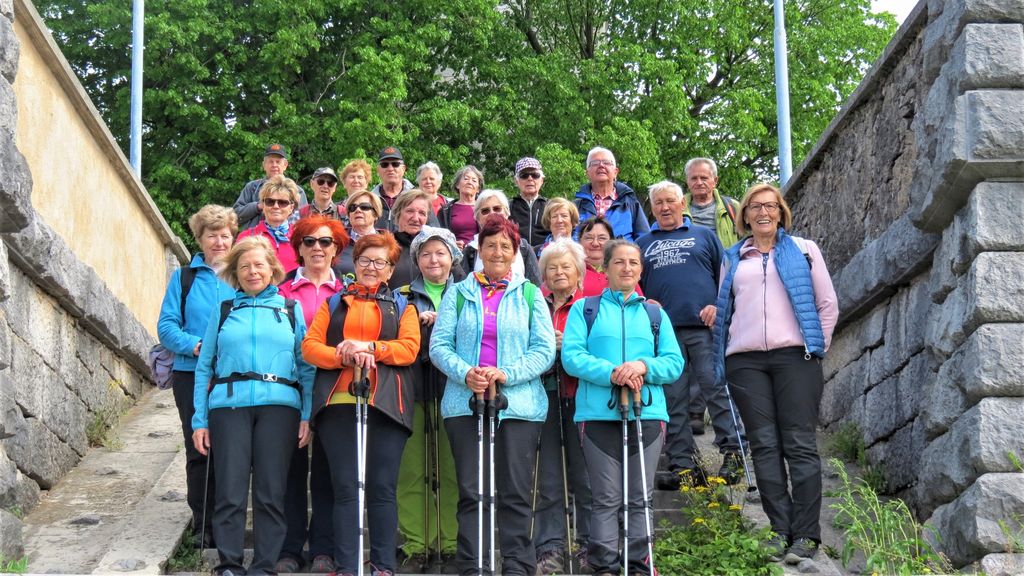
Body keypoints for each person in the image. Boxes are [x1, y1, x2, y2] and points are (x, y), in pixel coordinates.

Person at [712, 183, 838, 564]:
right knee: (764, 445)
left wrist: (816, 347)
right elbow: (724, 311)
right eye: (755, 207)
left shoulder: (804, 249)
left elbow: (827, 304)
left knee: (799, 444)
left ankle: (807, 534)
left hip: (795, 357)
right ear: (744, 216)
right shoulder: (733, 257)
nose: (763, 212)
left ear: (781, 212)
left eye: (770, 206)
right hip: (745, 361)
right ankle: (779, 529)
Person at [430, 215, 556, 576]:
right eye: (490, 245)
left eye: (505, 246)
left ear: (515, 252)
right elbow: (440, 346)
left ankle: (516, 564)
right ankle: (474, 564)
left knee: (515, 491)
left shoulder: (530, 294)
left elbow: (544, 350)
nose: (497, 252)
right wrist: (466, 373)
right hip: (465, 403)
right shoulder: (458, 292)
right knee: (472, 491)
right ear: (479, 251)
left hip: (518, 406)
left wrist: (506, 374)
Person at [192, 236, 314, 576]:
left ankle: (264, 566)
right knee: (230, 491)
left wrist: (307, 415)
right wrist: (199, 420)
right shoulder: (224, 310)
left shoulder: (290, 309)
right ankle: (229, 564)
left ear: (272, 268)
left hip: (281, 408)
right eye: (244, 266)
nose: (252, 271)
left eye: (259, 264)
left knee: (270, 492)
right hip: (228, 407)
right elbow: (204, 367)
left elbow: (305, 367)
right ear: (235, 272)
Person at [302, 232, 421, 576]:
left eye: (380, 262)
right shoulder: (333, 303)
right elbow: (310, 346)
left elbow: (408, 349)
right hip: (338, 403)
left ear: (390, 270)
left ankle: (383, 566)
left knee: (382, 489)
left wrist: (371, 348)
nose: (371, 267)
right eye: (365, 260)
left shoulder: (403, 306)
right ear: (354, 264)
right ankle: (347, 566)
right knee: (346, 489)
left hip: (387, 405)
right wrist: (343, 355)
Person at [561, 239, 683, 576]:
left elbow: (674, 363)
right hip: (598, 415)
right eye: (619, 262)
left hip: (648, 413)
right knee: (605, 497)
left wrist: (643, 366)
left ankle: (640, 565)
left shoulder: (655, 314)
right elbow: (572, 357)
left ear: (640, 270)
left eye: (633, 262)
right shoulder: (585, 310)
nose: (627, 268)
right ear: (606, 268)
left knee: (640, 496)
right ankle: (604, 566)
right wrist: (613, 373)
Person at [635, 181, 743, 491]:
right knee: (673, 400)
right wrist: (644, 301)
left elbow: (726, 278)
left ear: (682, 203)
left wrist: (717, 306)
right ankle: (684, 465)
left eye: (670, 200)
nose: (665, 207)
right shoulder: (642, 244)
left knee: (716, 389)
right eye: (658, 203)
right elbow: (634, 284)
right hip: (664, 334)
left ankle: (733, 453)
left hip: (704, 329)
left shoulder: (704, 236)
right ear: (652, 208)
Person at [156, 204, 237, 548]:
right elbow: (166, 326)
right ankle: (203, 525)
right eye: (211, 235)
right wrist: (196, 346)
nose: (219, 242)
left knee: (230, 449)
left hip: (233, 375)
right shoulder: (184, 278)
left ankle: (228, 521)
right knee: (198, 448)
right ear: (200, 239)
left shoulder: (242, 275)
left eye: (225, 235)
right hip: (191, 373)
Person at [274, 216, 350, 574]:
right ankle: (289, 548)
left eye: (325, 241)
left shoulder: (348, 292)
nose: (317, 248)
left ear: (336, 249)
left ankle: (324, 548)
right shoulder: (281, 292)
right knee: (290, 470)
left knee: (327, 470)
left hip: (335, 388)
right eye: (309, 241)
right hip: (290, 388)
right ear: (299, 249)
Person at [395, 226, 463, 572]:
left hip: (455, 392)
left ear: (453, 257)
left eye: (440, 253)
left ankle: (451, 544)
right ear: (416, 260)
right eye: (425, 254)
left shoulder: (466, 294)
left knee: (452, 470)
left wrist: (446, 323)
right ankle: (416, 545)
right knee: (412, 471)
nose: (433, 260)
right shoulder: (402, 295)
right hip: (413, 390)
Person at [533, 239, 592, 574]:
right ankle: (549, 548)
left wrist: (567, 343)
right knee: (549, 476)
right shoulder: (535, 304)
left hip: (581, 396)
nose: (559, 273)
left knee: (585, 475)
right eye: (552, 268)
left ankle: (589, 544)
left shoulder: (590, 307)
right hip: (545, 396)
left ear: (578, 272)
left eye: (566, 266)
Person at [460, 189, 542, 285]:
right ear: (477, 218)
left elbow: (536, 285)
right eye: (485, 211)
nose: (492, 213)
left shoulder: (523, 247)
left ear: (507, 213)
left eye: (497, 209)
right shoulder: (471, 250)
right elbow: (462, 286)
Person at [573, 147, 650, 241]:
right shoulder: (576, 205)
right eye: (595, 163)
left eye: (606, 162)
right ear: (587, 173)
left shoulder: (630, 203)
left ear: (615, 172)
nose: (601, 165)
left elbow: (644, 239)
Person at [235, 175, 302, 272]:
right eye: (270, 202)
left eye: (282, 203)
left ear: (291, 207)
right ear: (263, 205)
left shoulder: (301, 237)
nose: (276, 206)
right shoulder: (246, 237)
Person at [233, 144, 308, 230]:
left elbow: (304, 222)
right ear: (264, 165)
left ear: (285, 165)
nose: (274, 165)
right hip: (254, 237)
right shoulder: (251, 188)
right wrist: (257, 206)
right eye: (270, 161)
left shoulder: (297, 191)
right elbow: (234, 217)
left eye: (278, 162)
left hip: (286, 237)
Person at [577, 216, 642, 299]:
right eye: (589, 238)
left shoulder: (624, 272)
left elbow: (638, 302)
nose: (595, 243)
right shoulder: (573, 270)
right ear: (580, 241)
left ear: (611, 242)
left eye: (602, 238)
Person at [684, 157, 740, 249]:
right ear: (687, 181)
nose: (699, 182)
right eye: (694, 178)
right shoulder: (677, 209)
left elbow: (749, 240)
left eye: (704, 178)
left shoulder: (733, 207)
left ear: (715, 181)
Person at [390, 189, 441, 288]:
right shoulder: (384, 246)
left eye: (422, 213)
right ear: (398, 213)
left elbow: (460, 282)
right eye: (410, 211)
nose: (415, 218)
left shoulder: (439, 246)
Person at [337, 190, 385, 280]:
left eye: (364, 207)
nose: (358, 210)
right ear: (349, 215)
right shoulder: (337, 240)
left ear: (376, 214)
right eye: (352, 207)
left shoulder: (386, 243)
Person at [438, 165, 484, 248]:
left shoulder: (485, 209)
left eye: (474, 180)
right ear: (457, 185)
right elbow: (438, 237)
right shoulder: (446, 210)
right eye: (466, 179)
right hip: (454, 253)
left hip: (480, 253)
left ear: (478, 189)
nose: (470, 182)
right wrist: (451, 244)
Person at [509, 157, 549, 248]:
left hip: (544, 253)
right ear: (516, 181)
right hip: (517, 253)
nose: (530, 178)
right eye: (524, 175)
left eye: (535, 175)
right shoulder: (508, 206)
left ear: (542, 180)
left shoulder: (550, 206)